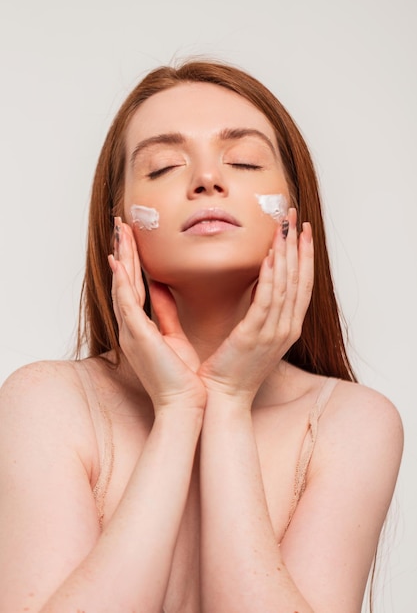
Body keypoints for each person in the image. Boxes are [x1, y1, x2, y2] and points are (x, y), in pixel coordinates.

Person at [0, 59, 403, 613]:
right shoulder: (45, 402)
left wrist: (230, 401)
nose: (207, 179)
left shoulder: (352, 424)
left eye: (243, 160)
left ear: (295, 211)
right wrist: (177, 410)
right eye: (163, 167)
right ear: (116, 223)